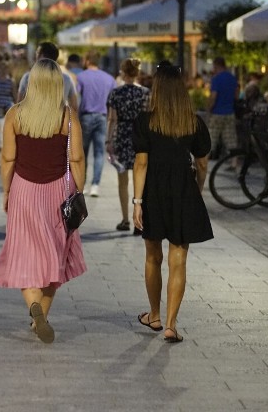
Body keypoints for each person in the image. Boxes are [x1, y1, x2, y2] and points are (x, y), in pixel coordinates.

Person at [0, 59, 87, 343]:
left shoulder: (15, 115)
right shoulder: (67, 117)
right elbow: (77, 159)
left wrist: (7, 192)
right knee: (55, 256)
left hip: (24, 190)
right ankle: (40, 315)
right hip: (58, 191)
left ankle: (36, 312)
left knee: (23, 253)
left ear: (31, 83)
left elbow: (8, 158)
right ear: (58, 84)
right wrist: (78, 191)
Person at [132, 63, 212, 343]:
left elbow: (141, 163)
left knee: (153, 256)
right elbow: (202, 163)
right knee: (178, 259)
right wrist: (197, 190)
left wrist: (137, 202)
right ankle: (170, 324)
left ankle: (154, 315)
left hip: (153, 190)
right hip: (182, 190)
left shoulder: (146, 121)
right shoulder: (193, 121)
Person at [106, 58, 149, 233]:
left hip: (122, 135)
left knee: (122, 181)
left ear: (123, 73)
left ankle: (125, 220)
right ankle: (140, 220)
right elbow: (148, 117)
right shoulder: (145, 93)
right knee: (142, 180)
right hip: (140, 135)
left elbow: (112, 119)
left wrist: (109, 140)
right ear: (137, 73)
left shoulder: (115, 94)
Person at [76, 50, 116, 197]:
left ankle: (83, 183)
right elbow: (112, 101)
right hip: (102, 116)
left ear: (87, 60)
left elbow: (76, 98)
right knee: (99, 153)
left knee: (83, 152)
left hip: (86, 117)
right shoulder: (109, 79)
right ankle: (95, 185)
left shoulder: (81, 77)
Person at [17, 42, 77, 110]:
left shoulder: (27, 77)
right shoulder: (66, 79)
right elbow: (74, 106)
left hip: (33, 120)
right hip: (59, 119)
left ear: (40, 55)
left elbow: (19, 105)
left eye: (37, 53)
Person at [206, 56, 238, 160]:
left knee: (211, 138)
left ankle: (203, 163)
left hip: (217, 113)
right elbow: (236, 95)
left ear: (216, 65)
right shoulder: (232, 78)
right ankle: (235, 164)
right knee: (231, 139)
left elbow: (213, 96)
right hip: (230, 112)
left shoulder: (216, 79)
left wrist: (209, 109)